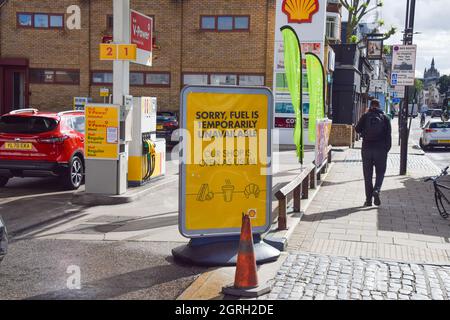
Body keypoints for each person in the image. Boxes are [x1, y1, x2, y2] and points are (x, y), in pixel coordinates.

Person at [355, 99, 392, 207]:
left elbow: (357, 129)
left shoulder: (365, 116)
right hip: (380, 149)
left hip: (366, 148)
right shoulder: (385, 118)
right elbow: (388, 136)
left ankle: (368, 200)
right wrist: (386, 149)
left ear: (370, 106)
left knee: (367, 175)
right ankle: (376, 190)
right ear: (379, 106)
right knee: (380, 173)